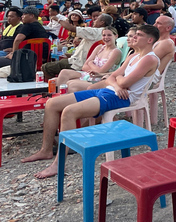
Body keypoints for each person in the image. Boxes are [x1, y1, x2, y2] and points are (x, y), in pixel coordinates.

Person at [21, 24, 161, 179]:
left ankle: (58, 164)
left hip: (121, 98)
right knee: (52, 103)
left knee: (69, 111)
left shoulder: (150, 59)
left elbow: (123, 83)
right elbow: (113, 78)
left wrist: (117, 81)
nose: (134, 37)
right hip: (109, 91)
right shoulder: (134, 55)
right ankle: (46, 149)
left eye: (139, 35)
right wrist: (116, 81)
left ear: (149, 40)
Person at [41, 13, 113, 79]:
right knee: (61, 62)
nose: (93, 20)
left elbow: (71, 28)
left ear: (102, 22)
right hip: (84, 61)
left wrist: (58, 20)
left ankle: (52, 88)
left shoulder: (95, 31)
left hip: (78, 64)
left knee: (46, 67)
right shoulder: (105, 33)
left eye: (97, 19)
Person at [54, 27, 122, 87]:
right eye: (104, 35)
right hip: (87, 74)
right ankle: (58, 97)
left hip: (98, 78)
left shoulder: (115, 52)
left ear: (116, 36)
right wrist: (91, 66)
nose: (106, 37)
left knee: (68, 83)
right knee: (63, 72)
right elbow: (84, 67)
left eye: (109, 35)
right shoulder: (99, 48)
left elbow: (101, 71)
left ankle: (61, 97)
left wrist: (90, 63)